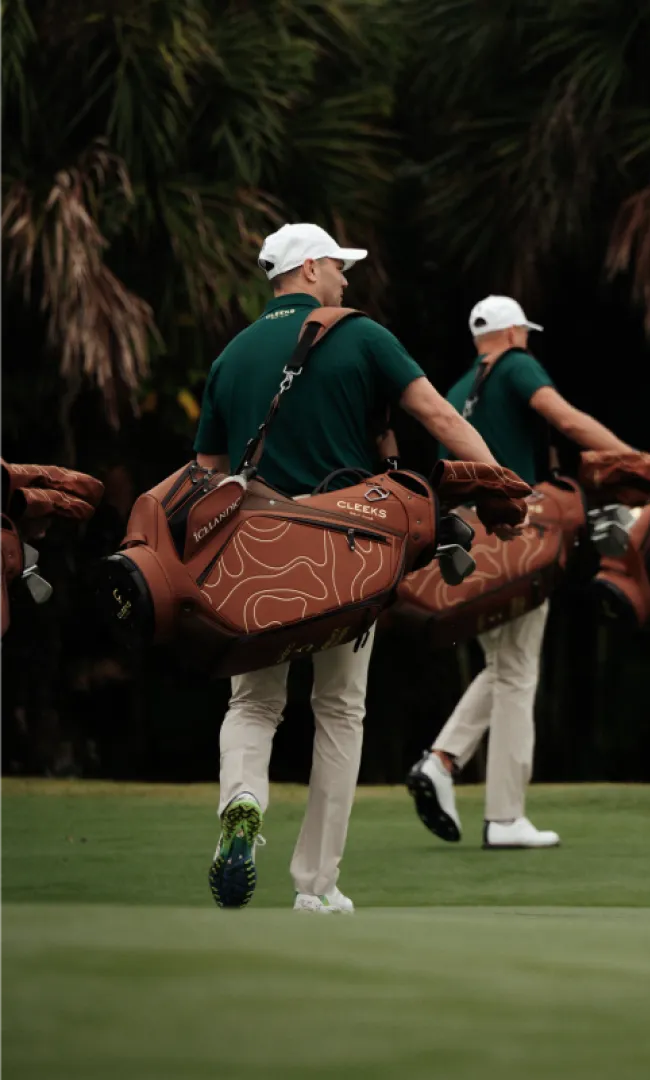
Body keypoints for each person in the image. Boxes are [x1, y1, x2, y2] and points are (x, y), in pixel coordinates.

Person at [194, 223, 500, 912]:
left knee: (252, 704)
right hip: (341, 550)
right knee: (339, 710)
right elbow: (441, 418)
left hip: (251, 550)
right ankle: (316, 885)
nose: (346, 278)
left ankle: (241, 807)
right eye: (340, 265)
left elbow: (204, 478)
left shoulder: (232, 354)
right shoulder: (360, 334)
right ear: (309, 268)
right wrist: (499, 481)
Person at [406, 295, 635, 848]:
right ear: (511, 332)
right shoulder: (516, 364)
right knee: (517, 671)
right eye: (524, 333)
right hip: (515, 531)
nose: (527, 340)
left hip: (466, 537)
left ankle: (441, 761)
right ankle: (505, 816)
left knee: (504, 662)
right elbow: (564, 417)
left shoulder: (459, 390)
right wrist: (632, 460)